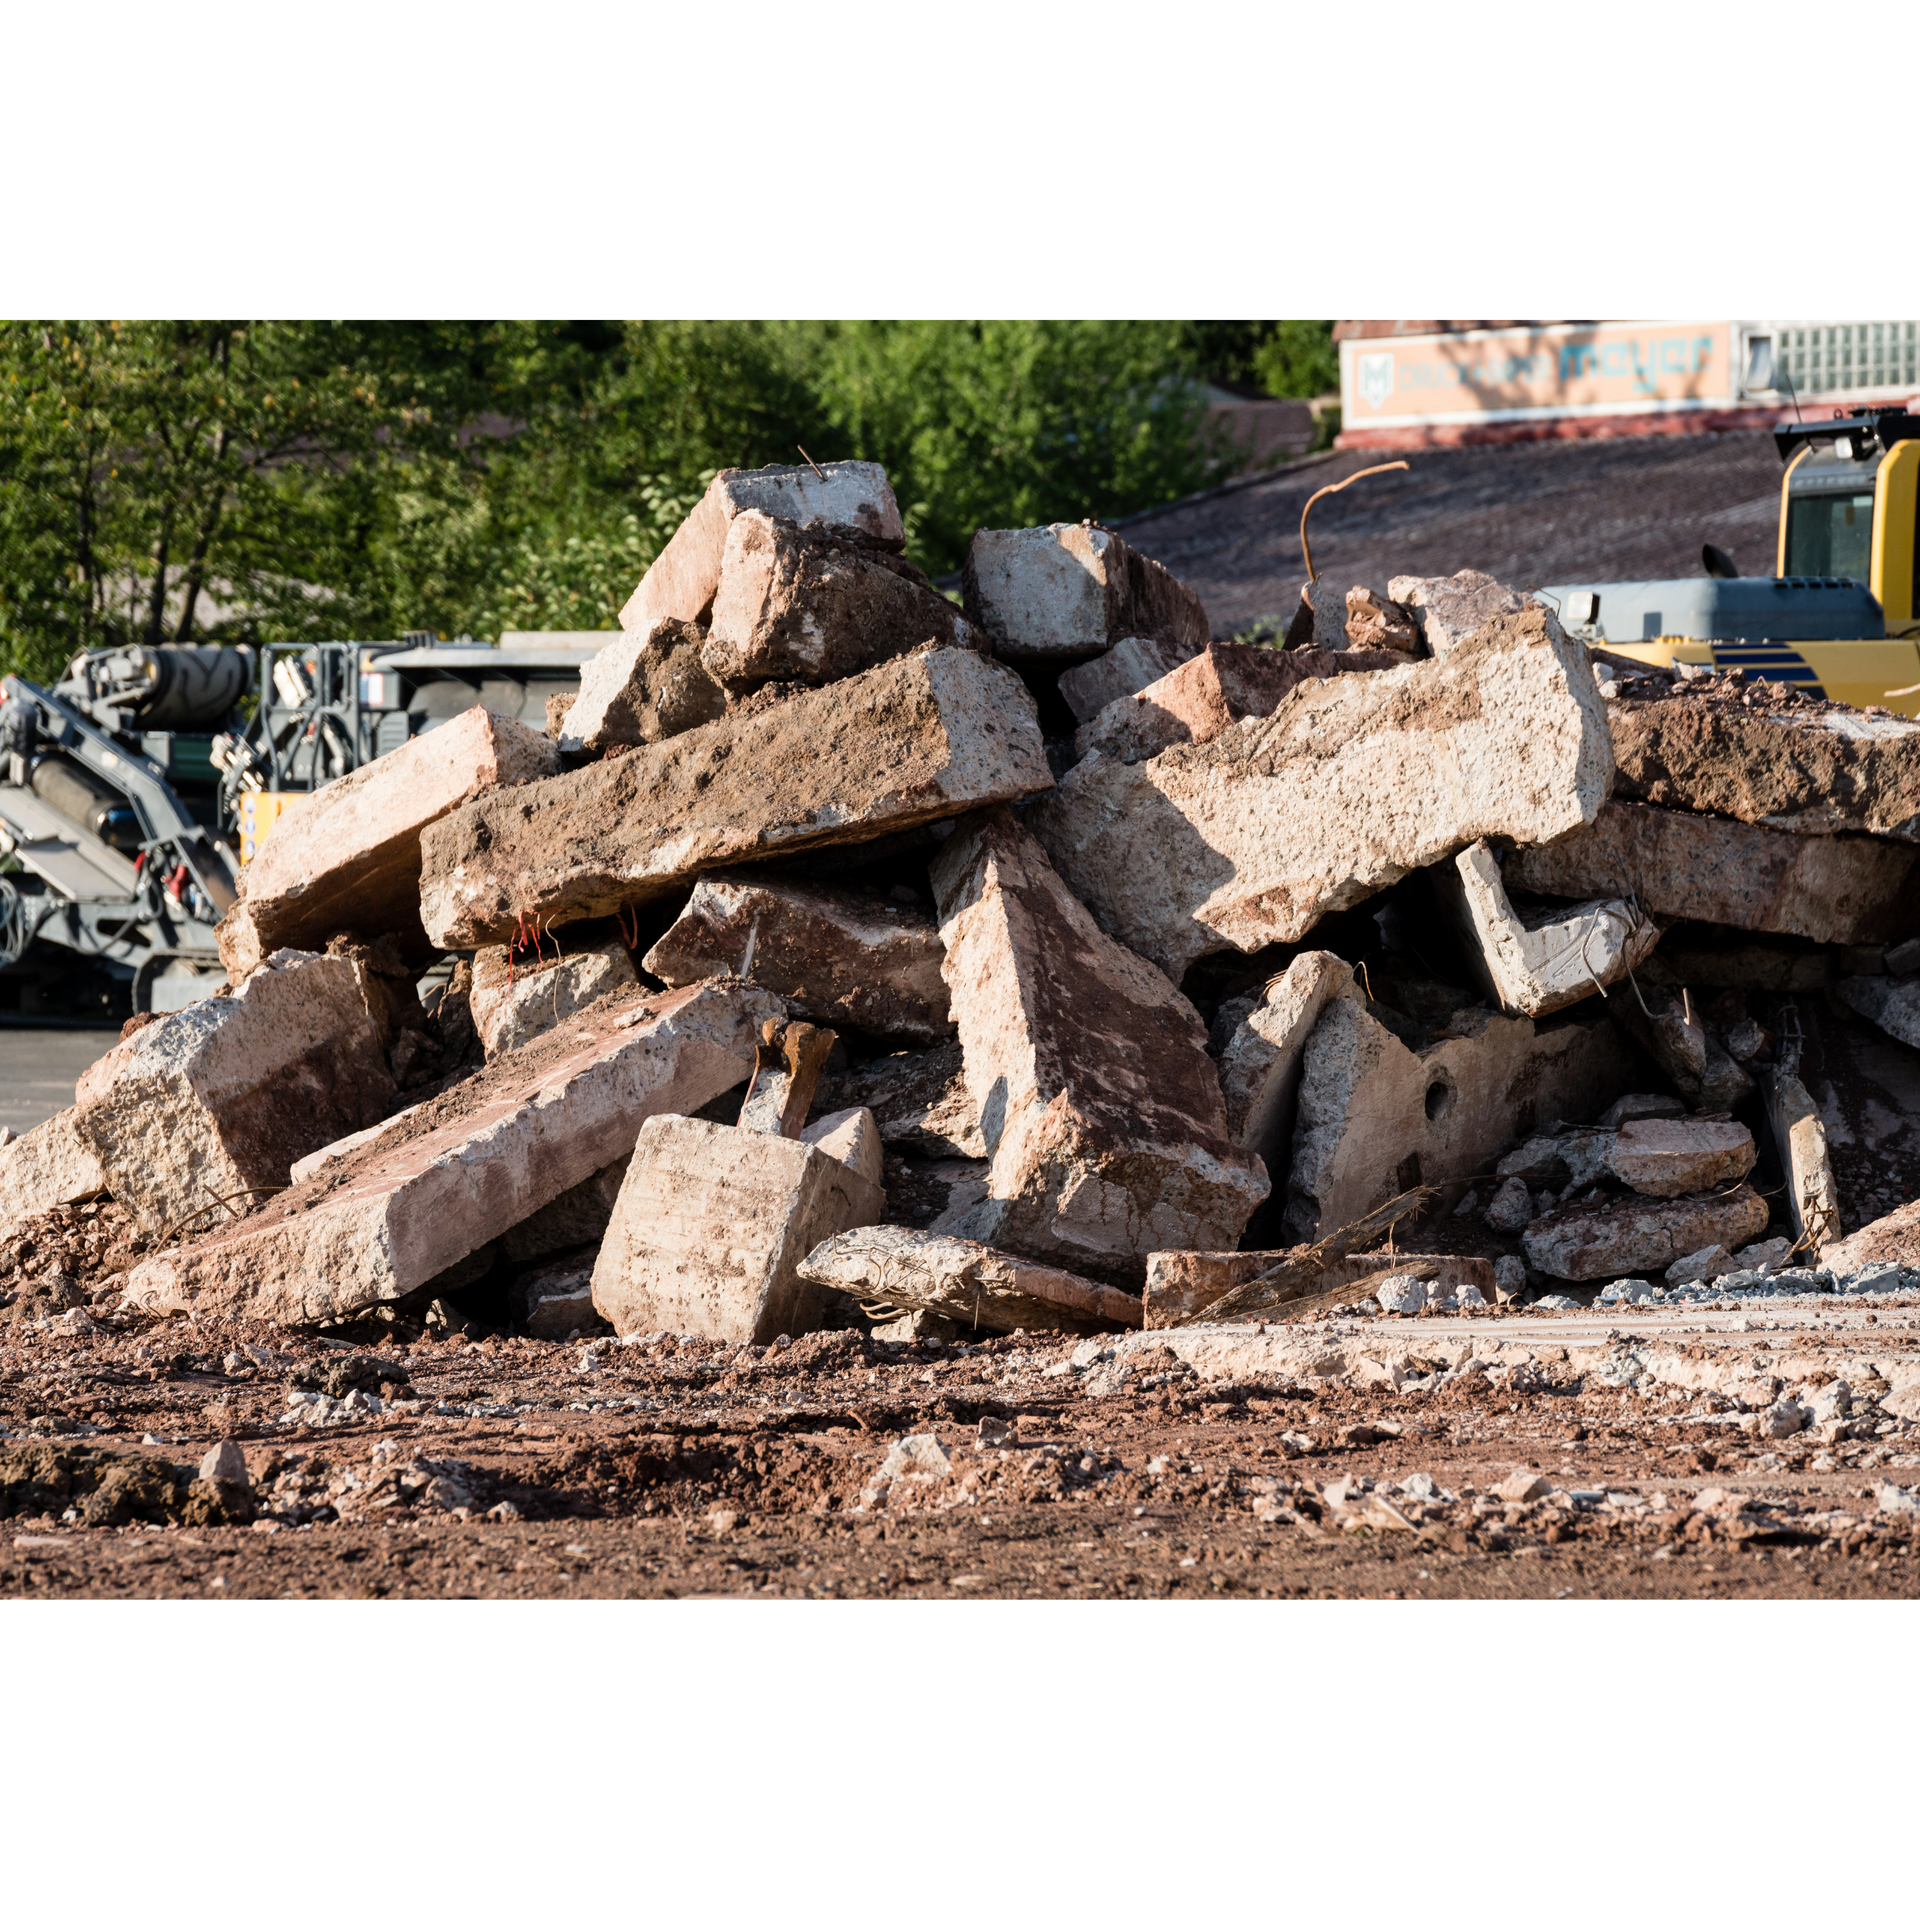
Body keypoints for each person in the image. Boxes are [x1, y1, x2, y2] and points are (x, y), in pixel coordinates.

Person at [0, 689, 39, 786]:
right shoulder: (21, 699)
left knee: (9, 750)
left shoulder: (9, 704)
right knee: (18, 752)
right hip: (23, 727)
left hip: (15, 729)